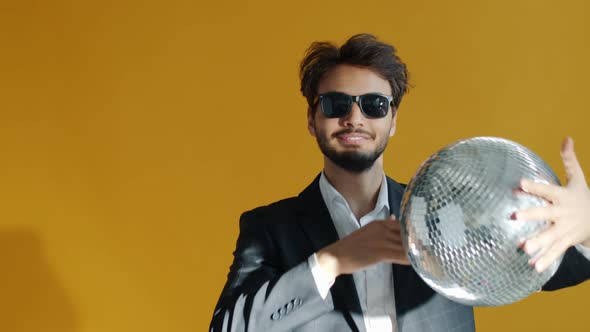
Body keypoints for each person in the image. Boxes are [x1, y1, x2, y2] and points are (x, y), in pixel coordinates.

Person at [209, 34, 590, 332]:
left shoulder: (447, 214)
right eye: (335, 104)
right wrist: (332, 261)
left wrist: (585, 229)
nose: (354, 118)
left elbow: (546, 269)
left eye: (373, 104)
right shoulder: (270, 229)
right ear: (312, 119)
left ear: (392, 121)